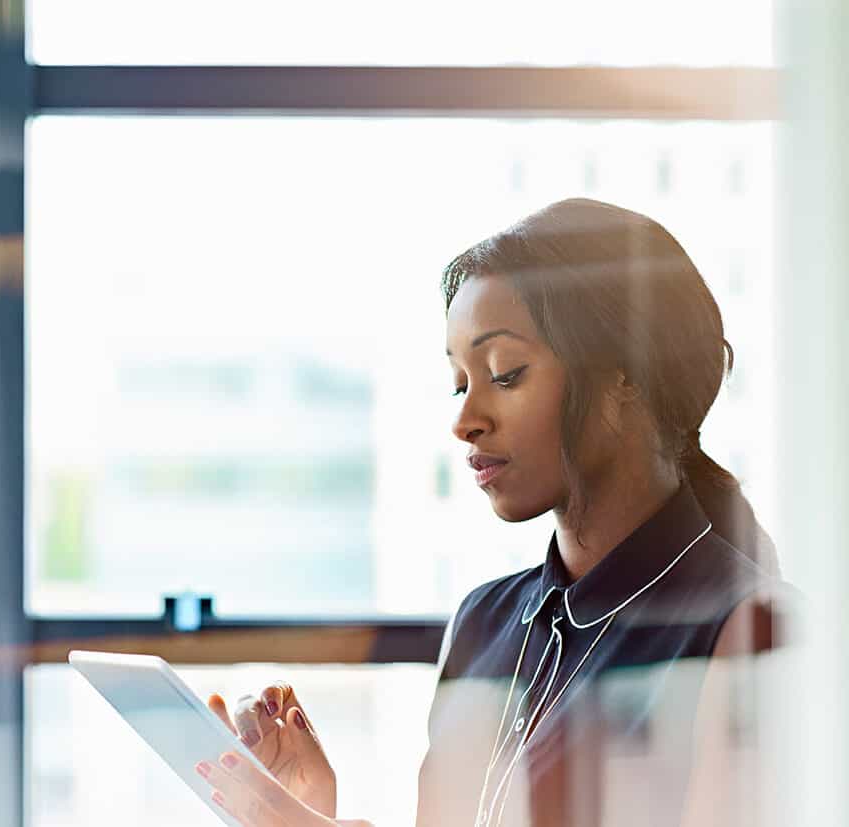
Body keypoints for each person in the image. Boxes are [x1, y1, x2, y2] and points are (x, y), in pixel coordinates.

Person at [191, 198, 792, 827]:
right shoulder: (481, 623)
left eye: (505, 373)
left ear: (628, 376)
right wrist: (309, 809)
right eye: (460, 382)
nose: (464, 420)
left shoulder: (756, 632)